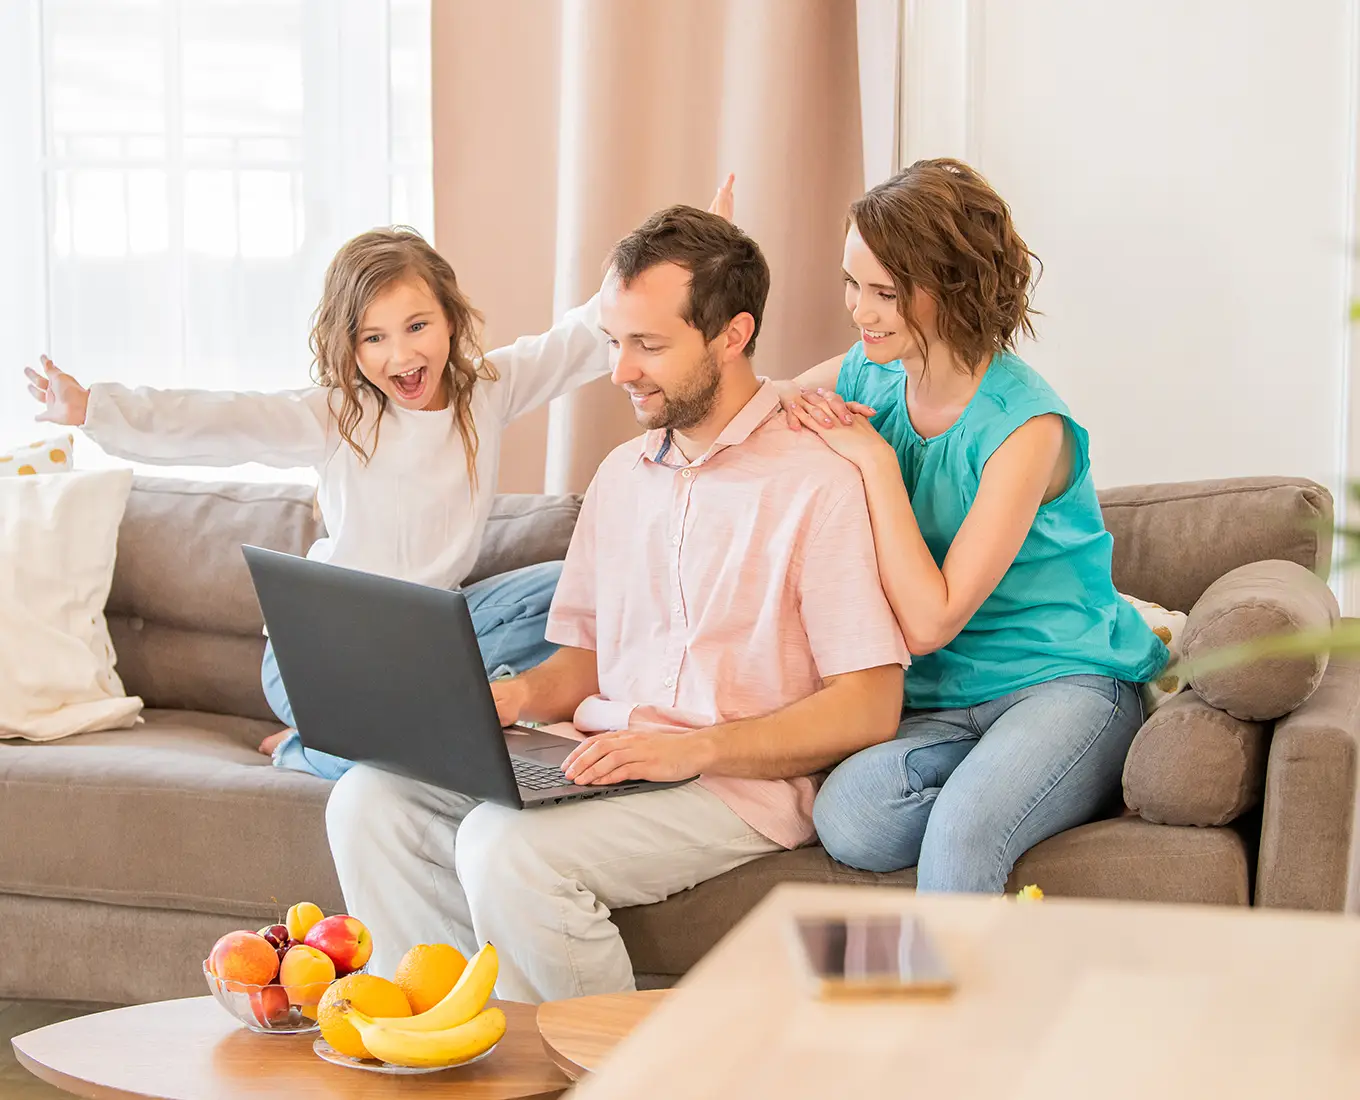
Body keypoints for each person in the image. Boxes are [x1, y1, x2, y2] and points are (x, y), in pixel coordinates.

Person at [324, 205, 910, 1001]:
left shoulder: (819, 479)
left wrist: (696, 749)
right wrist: (511, 698)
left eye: (649, 345)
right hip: (600, 754)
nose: (619, 370)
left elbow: (870, 706)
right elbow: (584, 662)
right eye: (612, 341)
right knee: (368, 798)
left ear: (732, 335)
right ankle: (456, 1053)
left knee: (507, 849)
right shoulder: (622, 474)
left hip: (729, 783)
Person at [23, 227, 606, 779]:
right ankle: (313, 747)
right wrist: (93, 408)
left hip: (429, 643)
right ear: (348, 346)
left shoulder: (486, 393)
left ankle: (411, 721)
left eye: (417, 326)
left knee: (574, 587)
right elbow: (220, 417)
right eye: (374, 338)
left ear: (450, 319)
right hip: (321, 658)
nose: (400, 355)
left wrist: (694, 249)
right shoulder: (335, 417)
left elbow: (579, 338)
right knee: (421, 755)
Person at [776, 158, 1167, 892]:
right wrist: (785, 405)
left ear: (952, 290)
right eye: (852, 283)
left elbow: (930, 622)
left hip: (1061, 682)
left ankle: (947, 1005)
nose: (859, 311)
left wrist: (873, 462)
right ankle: (1037, 785)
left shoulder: (1025, 427)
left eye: (884, 293)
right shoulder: (869, 372)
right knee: (850, 818)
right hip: (939, 703)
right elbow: (764, 412)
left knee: (963, 833)